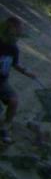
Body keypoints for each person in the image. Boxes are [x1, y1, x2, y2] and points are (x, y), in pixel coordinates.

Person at [0, 16, 37, 144]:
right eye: (16, 33)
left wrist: (27, 72)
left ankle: (5, 127)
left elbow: (15, 64)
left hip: (2, 82)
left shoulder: (13, 48)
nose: (17, 37)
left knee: (14, 101)